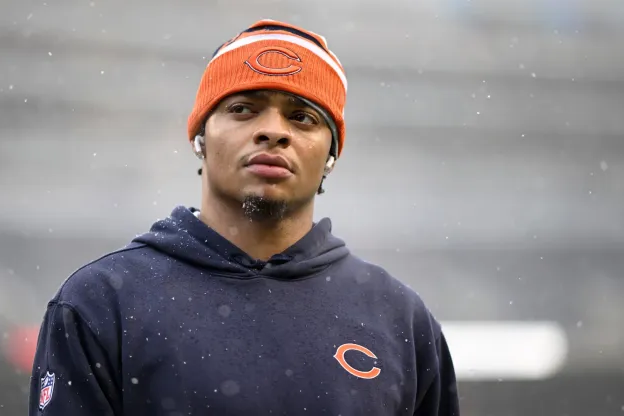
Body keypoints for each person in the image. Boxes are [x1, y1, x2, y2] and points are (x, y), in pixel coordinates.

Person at [29, 19, 460, 416]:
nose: (274, 130)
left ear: (330, 155)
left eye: (302, 116)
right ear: (200, 136)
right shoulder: (101, 302)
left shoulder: (400, 318)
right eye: (243, 109)